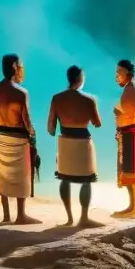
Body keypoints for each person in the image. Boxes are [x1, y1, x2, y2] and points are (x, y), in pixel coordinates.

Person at [0, 53, 40, 225]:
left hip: (2, 136)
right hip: (18, 138)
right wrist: (33, 134)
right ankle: (21, 215)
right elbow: (26, 121)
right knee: (21, 176)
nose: (22, 70)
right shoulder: (22, 93)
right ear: (15, 68)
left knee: (3, 174)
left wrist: (3, 117)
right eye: (21, 67)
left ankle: (6, 215)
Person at [48, 65, 103, 227]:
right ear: (81, 80)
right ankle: (84, 218)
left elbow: (50, 127)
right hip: (83, 141)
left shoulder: (56, 98)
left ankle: (69, 218)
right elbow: (97, 123)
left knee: (64, 178)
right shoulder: (89, 100)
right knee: (86, 180)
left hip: (65, 140)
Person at [113, 58, 135, 217]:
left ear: (129, 75)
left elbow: (129, 114)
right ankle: (132, 206)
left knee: (132, 172)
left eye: (119, 74)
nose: (117, 77)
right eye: (116, 74)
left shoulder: (131, 90)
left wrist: (118, 113)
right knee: (129, 172)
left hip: (130, 132)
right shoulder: (131, 88)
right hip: (128, 132)